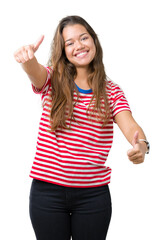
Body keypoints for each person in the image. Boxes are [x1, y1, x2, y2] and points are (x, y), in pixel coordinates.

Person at [14, 15, 150, 240]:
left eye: (84, 38)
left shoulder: (112, 92)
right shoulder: (52, 79)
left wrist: (142, 145)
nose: (79, 46)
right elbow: (36, 73)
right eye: (70, 43)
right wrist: (28, 60)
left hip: (93, 197)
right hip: (47, 194)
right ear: (63, 51)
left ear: (94, 41)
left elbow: (130, 125)